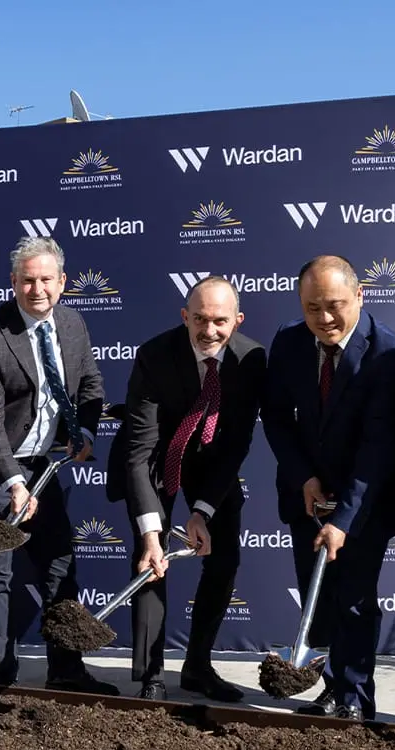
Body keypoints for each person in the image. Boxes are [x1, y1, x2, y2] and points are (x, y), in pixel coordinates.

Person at [0, 236, 117, 695]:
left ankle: (66, 670)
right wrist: (11, 482)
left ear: (63, 282)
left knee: (59, 567)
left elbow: (90, 384)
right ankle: (2, 681)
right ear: (13, 283)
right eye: (27, 281)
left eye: (46, 279)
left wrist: (84, 432)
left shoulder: (72, 323)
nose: (37, 289)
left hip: (45, 468)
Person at [261, 255, 395, 721]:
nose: (323, 319)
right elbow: (277, 419)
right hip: (307, 497)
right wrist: (304, 477)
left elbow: (379, 447)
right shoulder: (288, 342)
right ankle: (332, 688)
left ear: (360, 295)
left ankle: (355, 699)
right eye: (312, 308)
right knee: (319, 598)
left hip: (365, 503)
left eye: (334, 306)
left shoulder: (389, 354)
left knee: (353, 601)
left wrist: (343, 519)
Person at [112, 276, 266, 701]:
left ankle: (198, 666)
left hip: (214, 463)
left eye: (220, 321)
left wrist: (202, 511)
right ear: (185, 316)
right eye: (199, 319)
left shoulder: (251, 358)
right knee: (150, 561)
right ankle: (150, 676)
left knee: (224, 558)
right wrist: (150, 532)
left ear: (237, 320)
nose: (209, 331)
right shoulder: (155, 355)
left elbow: (237, 442)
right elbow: (139, 449)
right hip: (158, 457)